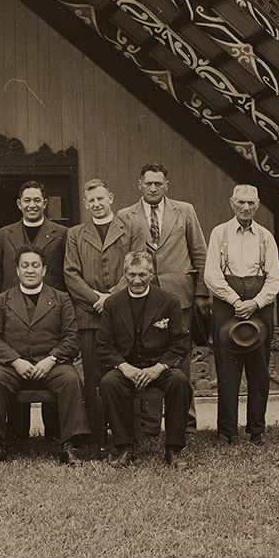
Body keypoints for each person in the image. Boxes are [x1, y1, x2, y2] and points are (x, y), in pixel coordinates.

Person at [120, 163, 208, 435]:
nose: (154, 188)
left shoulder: (184, 210)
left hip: (180, 296)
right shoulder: (125, 215)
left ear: (166, 185)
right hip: (142, 296)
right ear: (140, 185)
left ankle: (185, 423)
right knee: (147, 354)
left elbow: (200, 253)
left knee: (180, 360)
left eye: (159, 183)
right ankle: (149, 424)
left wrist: (202, 292)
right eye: (149, 183)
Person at [0, 246, 89, 465]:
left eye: (35, 265)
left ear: (44, 270)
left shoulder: (61, 298)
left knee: (71, 380)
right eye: (25, 265)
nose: (30, 270)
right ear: (17, 270)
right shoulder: (1, 300)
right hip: (13, 365)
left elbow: (72, 337)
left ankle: (69, 446)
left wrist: (52, 359)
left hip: (51, 364)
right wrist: (15, 360)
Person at [63, 178, 145, 441]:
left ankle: (127, 434)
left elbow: (137, 266)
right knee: (93, 376)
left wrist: (111, 298)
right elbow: (71, 274)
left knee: (124, 373)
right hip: (89, 317)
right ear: (85, 204)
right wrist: (95, 298)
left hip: (124, 313)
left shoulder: (131, 228)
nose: (97, 204)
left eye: (101, 198)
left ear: (110, 197)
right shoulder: (75, 234)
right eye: (91, 200)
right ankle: (96, 437)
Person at [96, 252, 192, 469]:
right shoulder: (113, 304)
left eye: (142, 274)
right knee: (109, 383)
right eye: (131, 274)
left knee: (179, 382)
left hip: (160, 367)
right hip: (127, 367)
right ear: (124, 275)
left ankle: (174, 450)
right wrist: (124, 367)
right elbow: (103, 344)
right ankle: (125, 448)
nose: (137, 280)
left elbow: (181, 342)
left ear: (151, 274)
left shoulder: (168, 301)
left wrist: (159, 368)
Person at [203, 185, 279, 444]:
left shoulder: (266, 237)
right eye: (241, 202)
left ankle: (256, 430)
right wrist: (236, 300)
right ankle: (227, 430)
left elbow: (274, 279)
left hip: (260, 305)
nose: (246, 208)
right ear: (231, 203)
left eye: (251, 203)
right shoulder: (219, 233)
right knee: (227, 371)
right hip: (228, 302)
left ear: (258, 205)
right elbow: (211, 275)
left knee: (259, 371)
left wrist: (255, 303)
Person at [0, 180, 67, 440]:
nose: (32, 205)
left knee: (54, 374)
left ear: (45, 203)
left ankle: (55, 435)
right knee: (10, 371)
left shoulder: (62, 233)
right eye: (27, 200)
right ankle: (15, 435)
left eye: (37, 200)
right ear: (19, 204)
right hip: (14, 309)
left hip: (49, 310)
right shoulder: (3, 234)